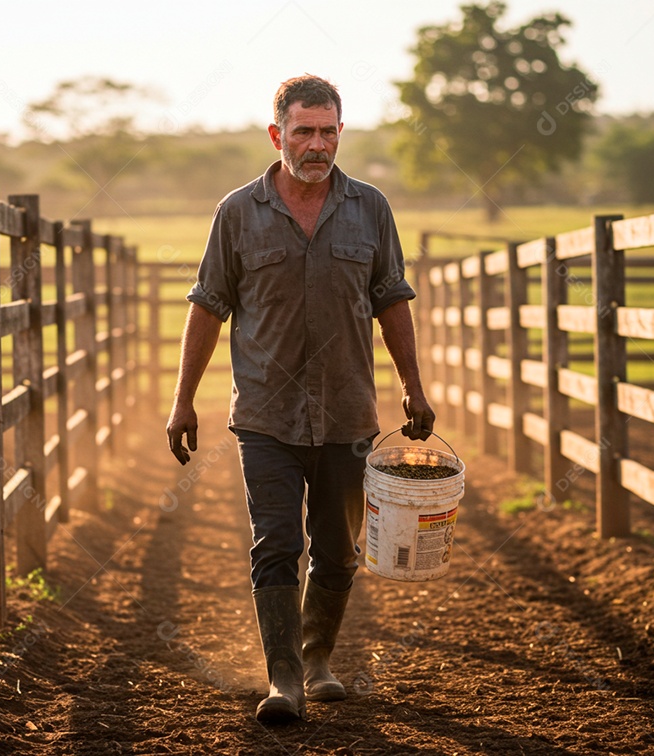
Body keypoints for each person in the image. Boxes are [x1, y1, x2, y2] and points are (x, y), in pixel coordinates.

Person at [165, 74, 434, 724]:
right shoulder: (238, 212)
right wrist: (183, 401)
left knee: (338, 550)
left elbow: (391, 298)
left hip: (347, 412)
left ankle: (317, 660)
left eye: (327, 131)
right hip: (264, 416)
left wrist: (413, 385)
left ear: (341, 132)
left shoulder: (371, 208)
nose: (316, 144)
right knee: (276, 540)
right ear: (276, 134)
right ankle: (283, 678)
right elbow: (208, 307)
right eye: (303, 131)